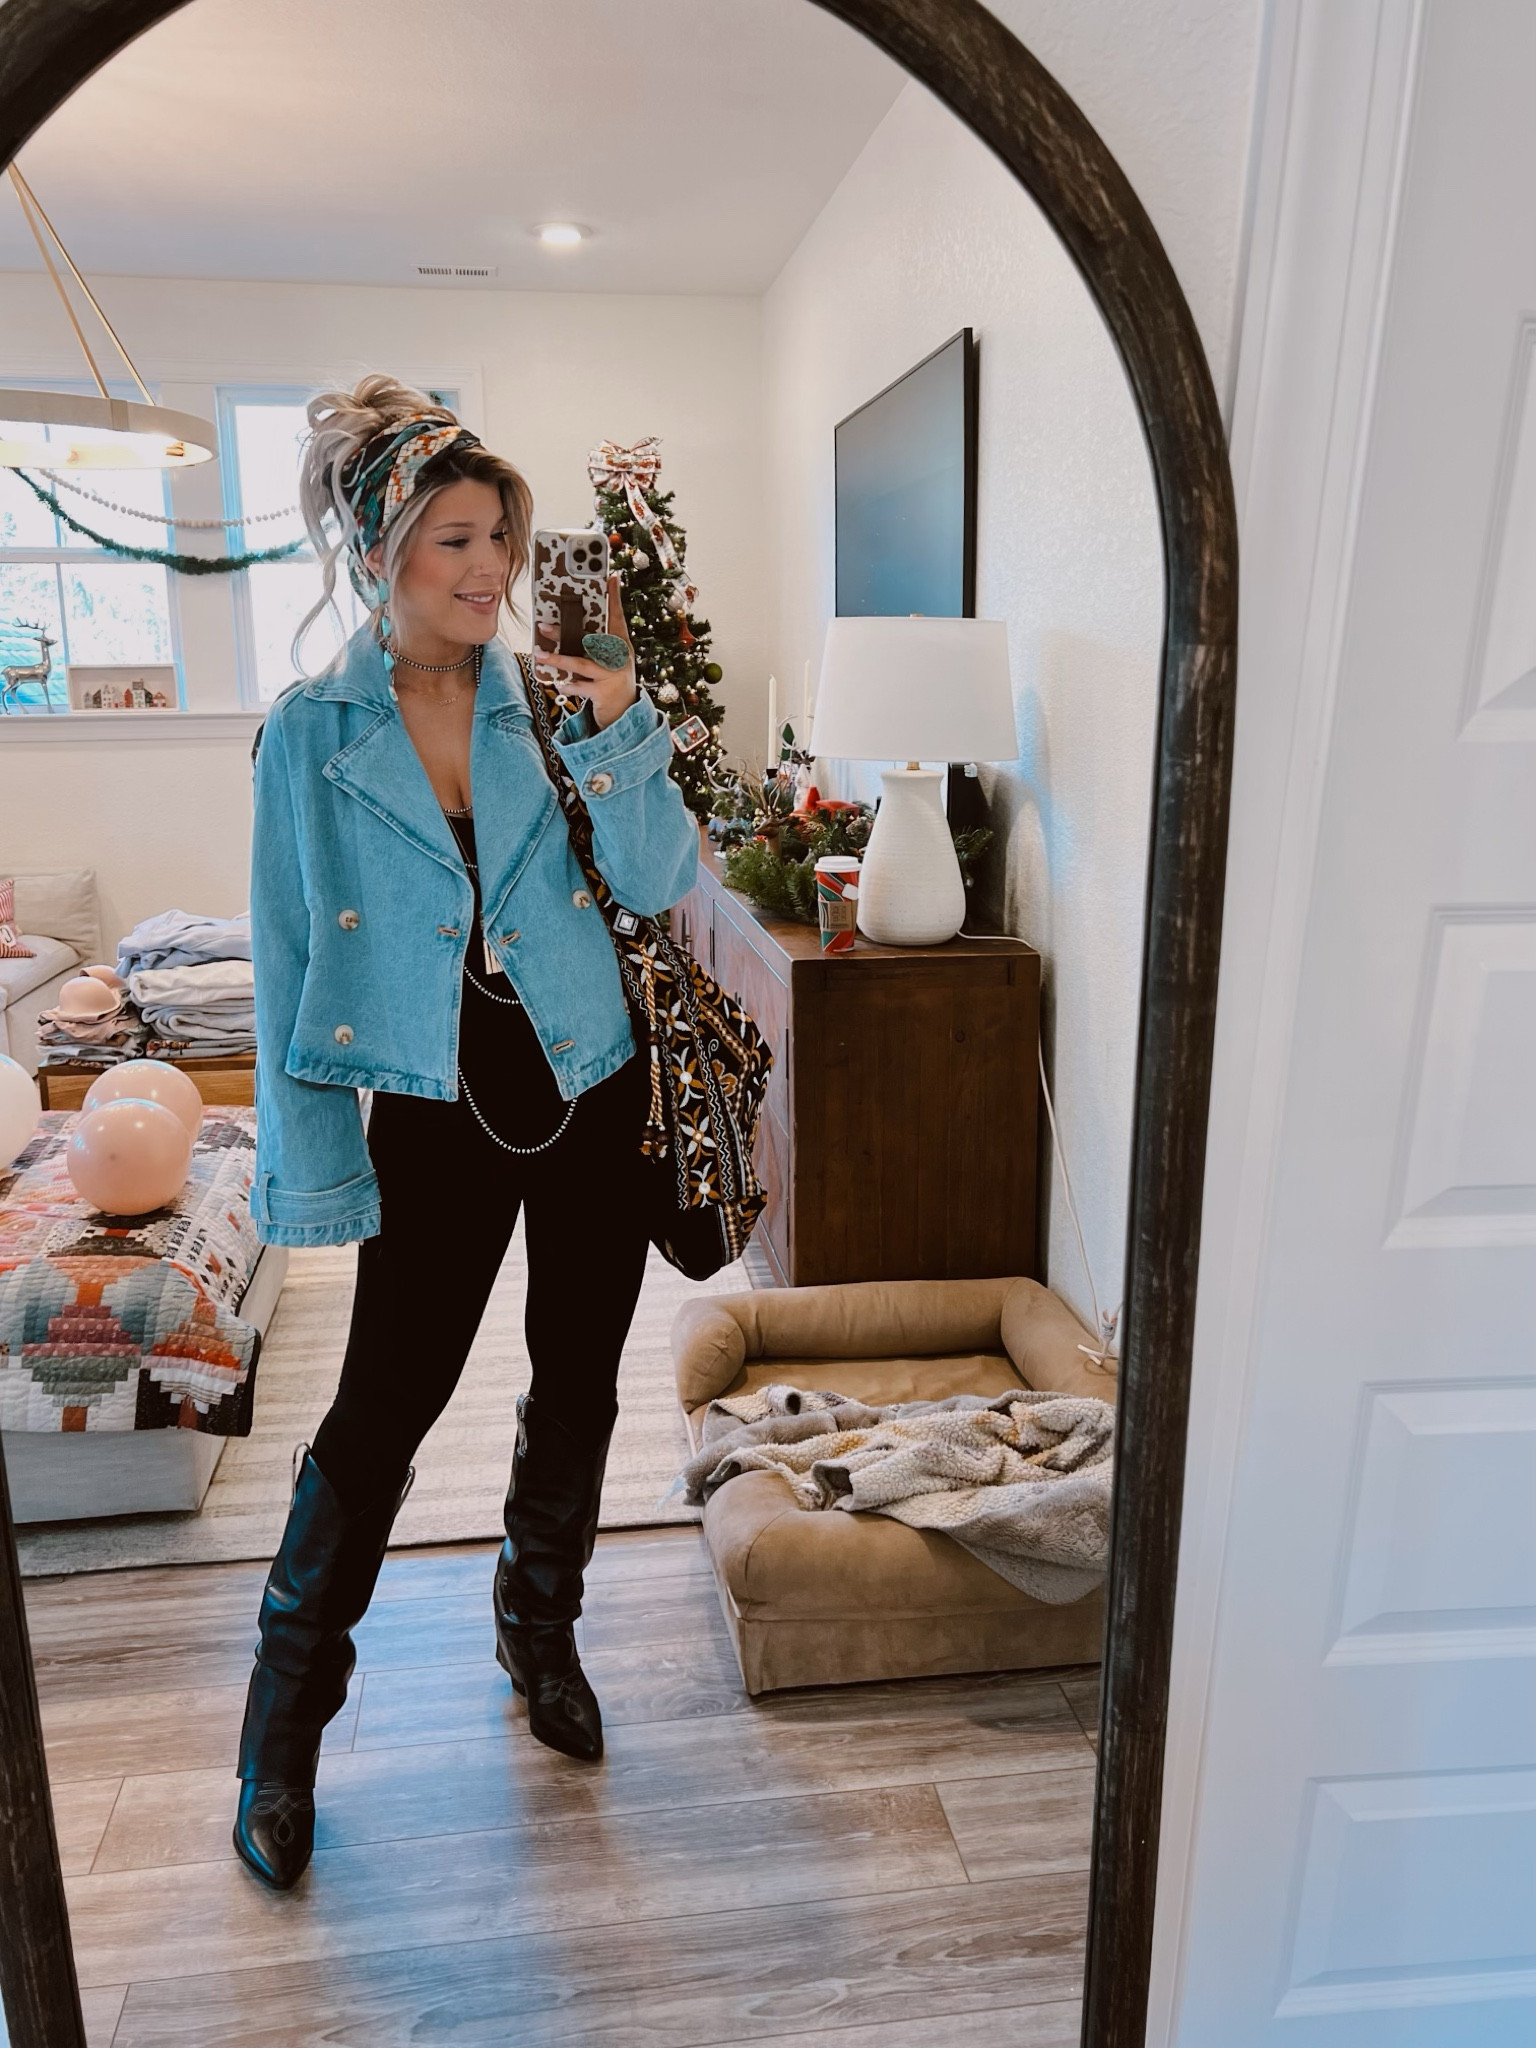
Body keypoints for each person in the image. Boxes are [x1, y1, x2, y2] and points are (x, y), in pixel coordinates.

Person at [234, 375, 698, 1890]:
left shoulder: (556, 697)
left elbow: (657, 875)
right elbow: (292, 960)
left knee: (579, 1380)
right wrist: (320, 1184)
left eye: (500, 534)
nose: (491, 568)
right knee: (381, 1416)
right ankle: (281, 1737)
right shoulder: (311, 736)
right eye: (453, 541)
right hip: (432, 1116)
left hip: (590, 1082)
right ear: (381, 555)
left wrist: (625, 719)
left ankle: (538, 1633)